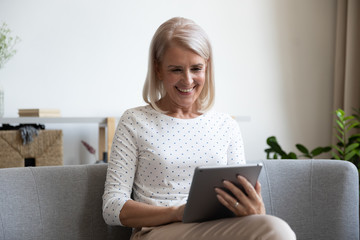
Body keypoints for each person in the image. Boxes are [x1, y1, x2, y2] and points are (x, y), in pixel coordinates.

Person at [103, 17, 296, 240]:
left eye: (196, 68)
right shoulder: (135, 121)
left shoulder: (226, 126)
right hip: (159, 231)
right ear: (158, 69)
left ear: (207, 67)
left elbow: (239, 195)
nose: (188, 80)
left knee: (276, 229)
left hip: (218, 228)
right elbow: (112, 207)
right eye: (176, 69)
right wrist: (176, 213)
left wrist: (255, 211)